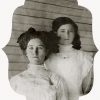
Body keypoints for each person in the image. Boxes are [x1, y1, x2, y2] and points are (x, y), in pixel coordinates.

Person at [10, 27, 68, 100]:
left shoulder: (56, 80)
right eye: (31, 48)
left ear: (46, 51)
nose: (35, 52)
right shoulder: (16, 81)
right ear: (26, 52)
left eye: (40, 48)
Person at [45, 17, 93, 100]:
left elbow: (87, 87)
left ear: (75, 34)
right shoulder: (47, 57)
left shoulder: (84, 57)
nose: (66, 35)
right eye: (62, 31)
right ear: (55, 33)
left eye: (70, 31)